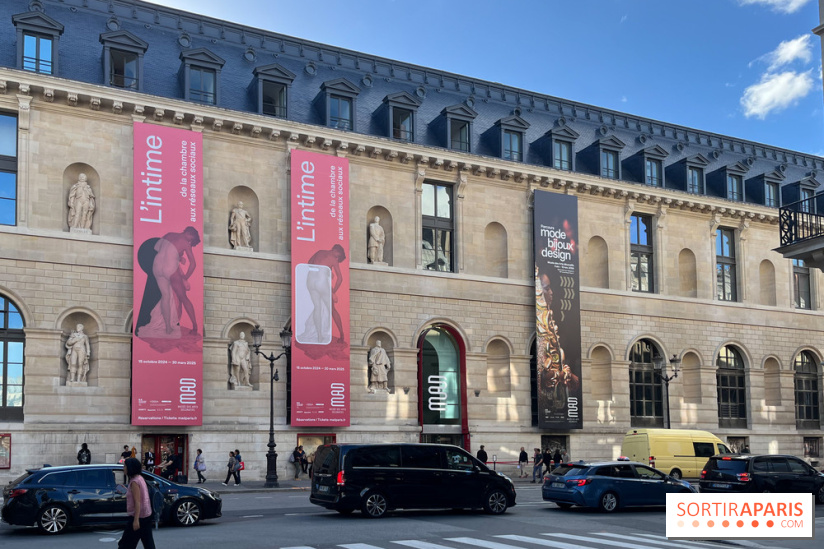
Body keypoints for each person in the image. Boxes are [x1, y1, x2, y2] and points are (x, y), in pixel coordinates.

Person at [136, 227, 201, 338]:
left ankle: (168, 327)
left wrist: (178, 256)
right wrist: (185, 277)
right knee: (183, 297)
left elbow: (157, 248)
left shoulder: (169, 234)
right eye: (191, 239)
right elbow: (193, 264)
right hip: (169, 268)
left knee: (165, 296)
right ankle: (195, 326)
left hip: (157, 267)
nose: (190, 242)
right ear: (189, 233)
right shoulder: (185, 243)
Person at [298, 244, 346, 344]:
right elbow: (340, 279)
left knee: (317, 307)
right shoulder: (333, 258)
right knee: (332, 309)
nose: (337, 258)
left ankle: (319, 336)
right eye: (338, 255)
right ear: (335, 250)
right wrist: (333, 291)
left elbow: (309, 263)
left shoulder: (319, 252)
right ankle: (342, 335)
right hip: (321, 281)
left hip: (310, 281)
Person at [117, 457, 155, 549]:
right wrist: (126, 490)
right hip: (146, 515)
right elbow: (138, 496)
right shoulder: (139, 478)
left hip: (138, 517)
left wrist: (136, 520)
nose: (123, 468)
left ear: (130, 468)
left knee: (125, 544)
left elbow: (137, 502)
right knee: (148, 543)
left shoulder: (134, 481)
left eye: (125, 466)